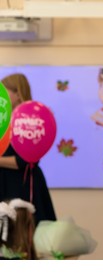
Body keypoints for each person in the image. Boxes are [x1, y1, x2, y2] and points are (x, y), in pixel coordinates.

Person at [0, 73, 56, 226]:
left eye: (5, 92)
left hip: (23, 186)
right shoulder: (4, 120)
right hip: (4, 183)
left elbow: (24, 160)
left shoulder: (32, 120)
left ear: (18, 93)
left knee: (22, 234)